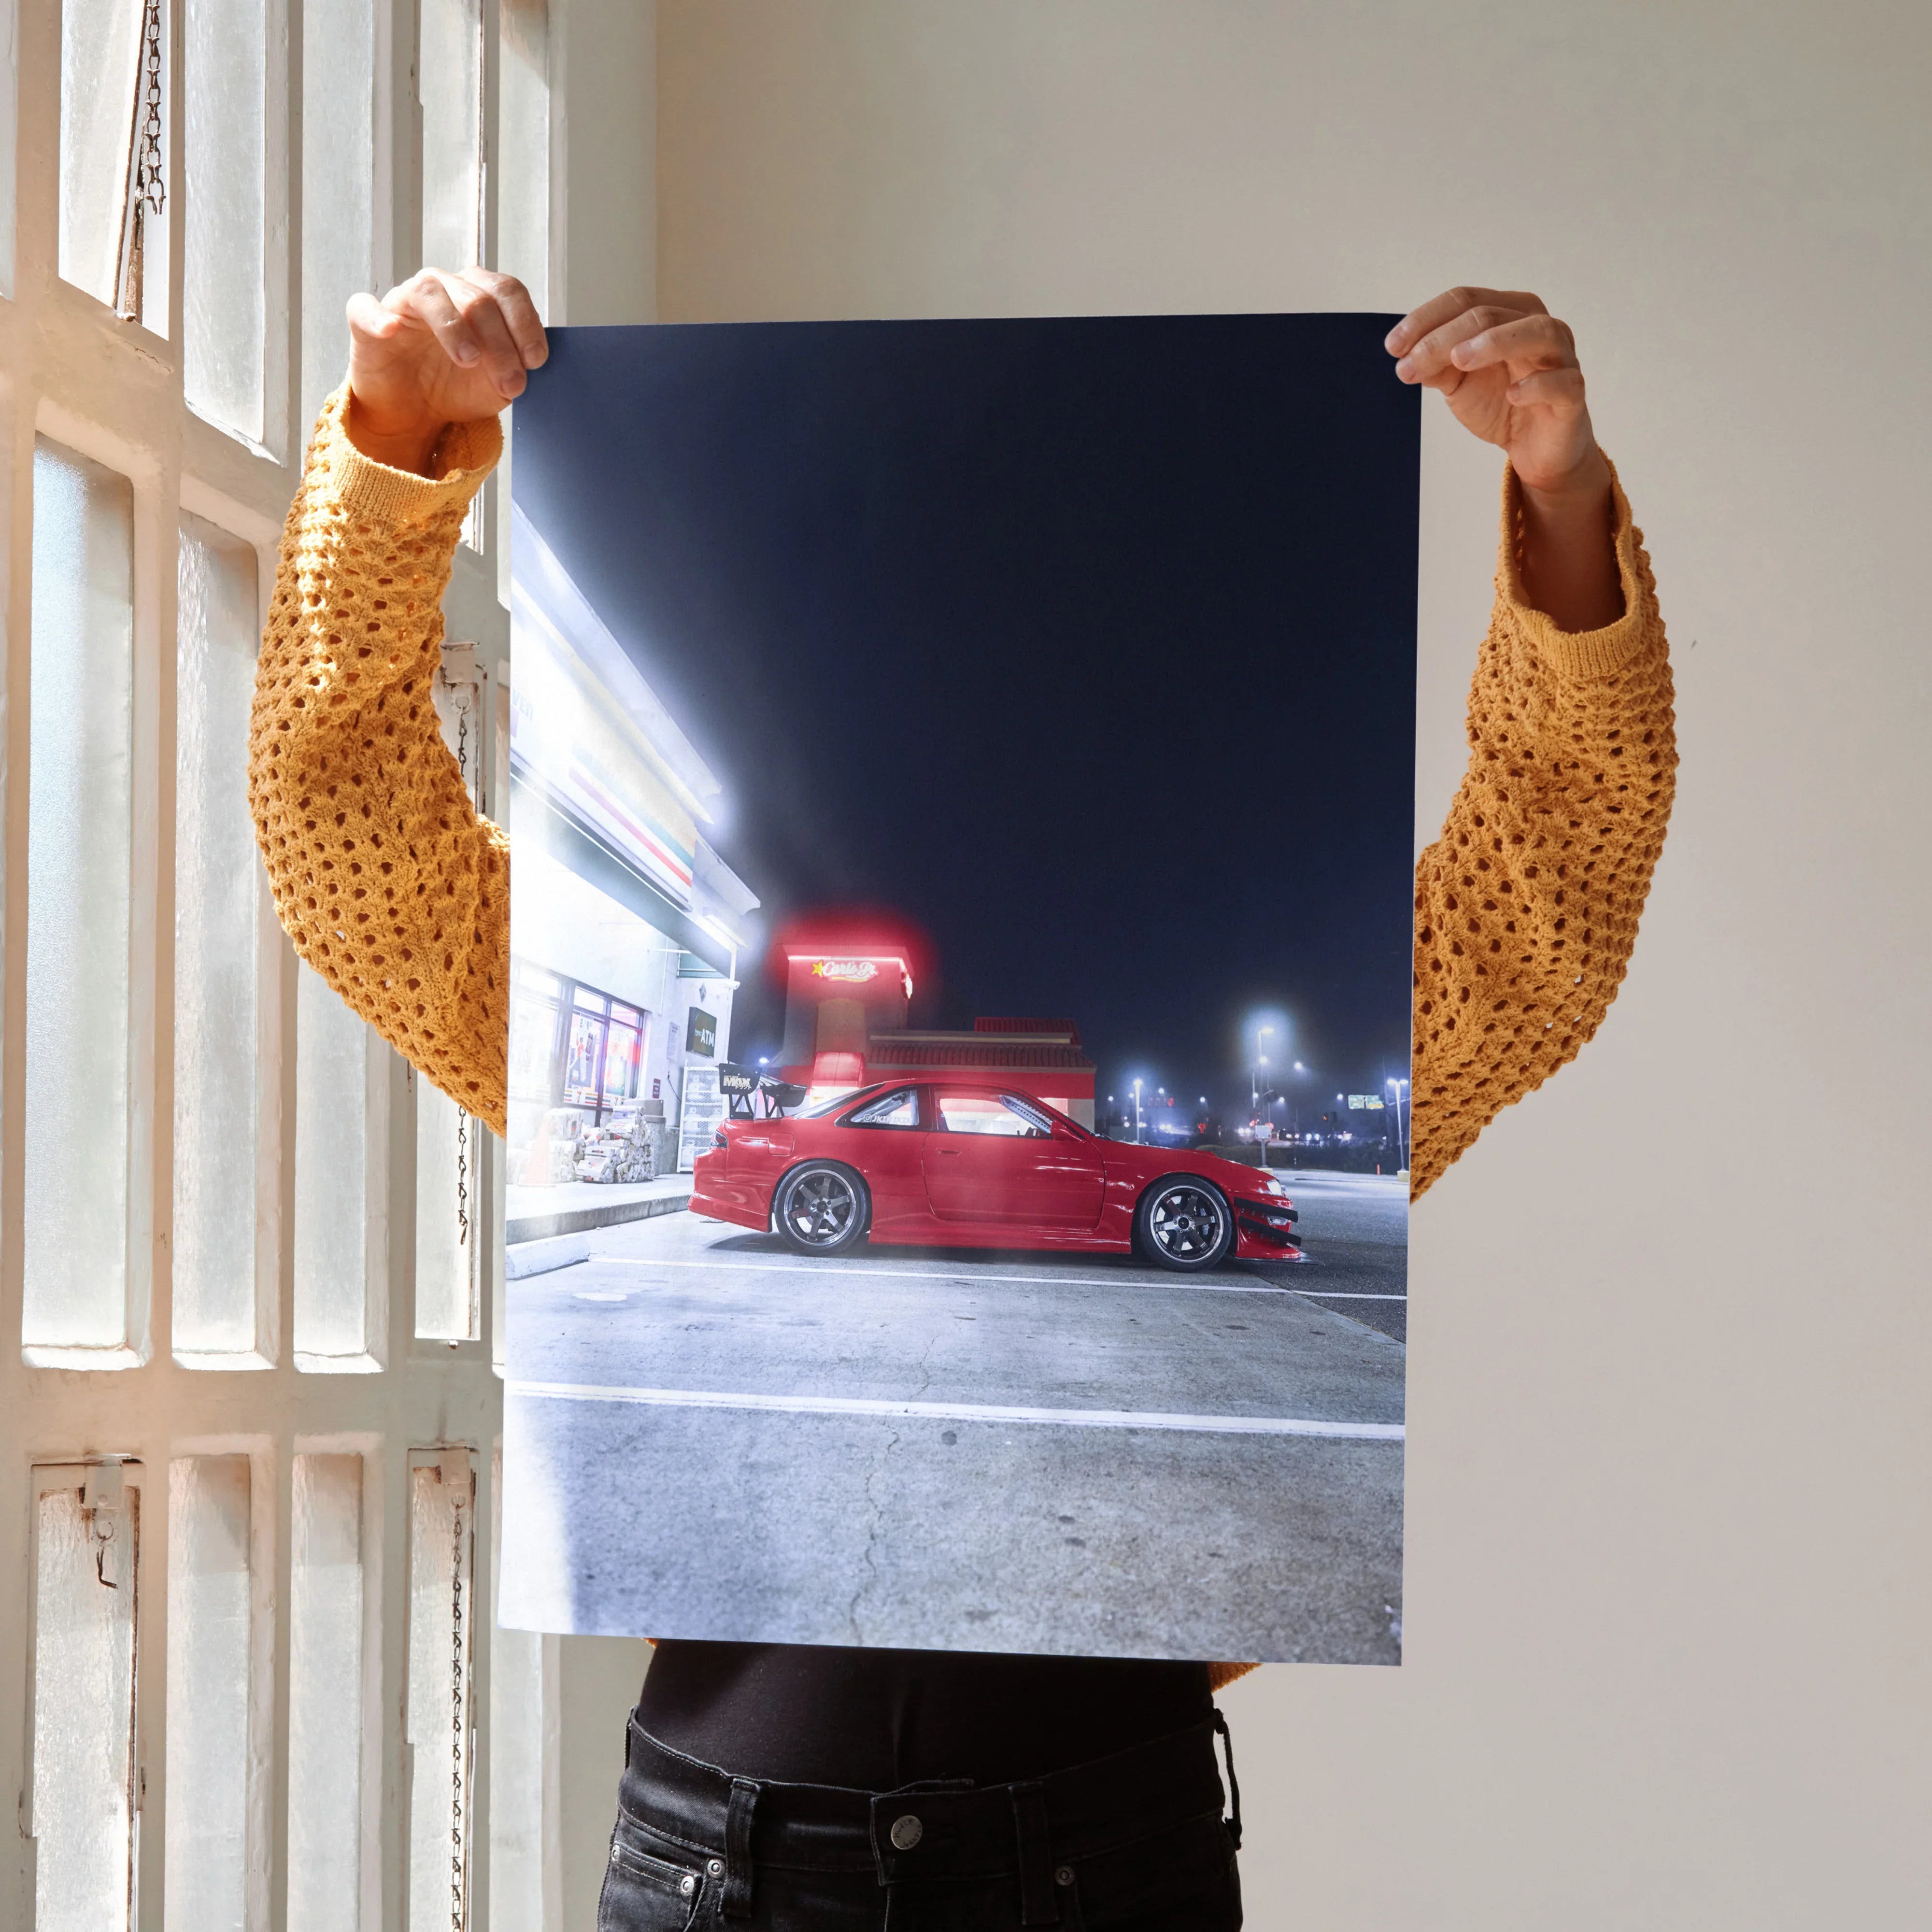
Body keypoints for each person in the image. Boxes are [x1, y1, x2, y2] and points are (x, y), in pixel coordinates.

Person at [249, 272, 1675, 1930]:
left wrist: (1562, 497)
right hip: (740, 1866)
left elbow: (1543, 910)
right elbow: (344, 835)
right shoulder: (684, 1074)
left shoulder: (1170, 1107)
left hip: (1098, 1856)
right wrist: (391, 444)